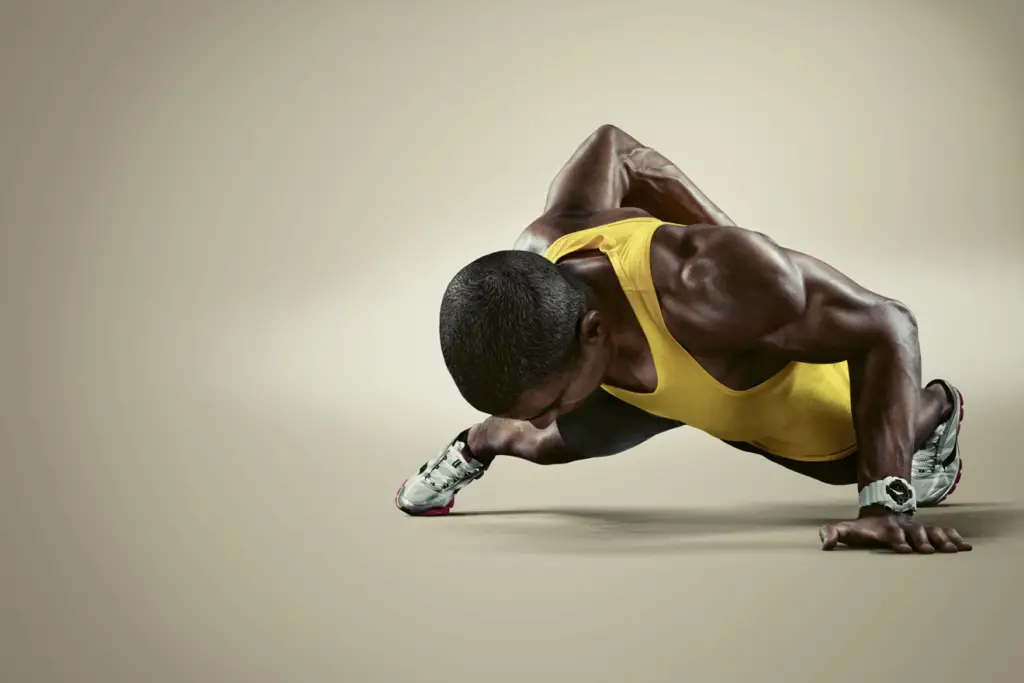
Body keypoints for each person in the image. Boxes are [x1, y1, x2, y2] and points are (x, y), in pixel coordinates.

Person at [395, 124, 971, 554]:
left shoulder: (715, 286)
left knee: (850, 456)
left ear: (592, 330)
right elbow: (612, 145)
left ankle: (938, 411)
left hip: (764, 397)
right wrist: (722, 225)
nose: (544, 417)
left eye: (552, 403)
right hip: (655, 386)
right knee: (541, 444)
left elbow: (890, 324)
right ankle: (470, 446)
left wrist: (884, 500)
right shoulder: (547, 245)